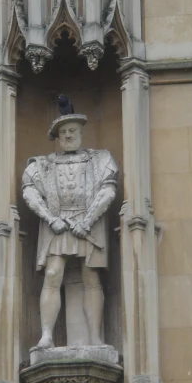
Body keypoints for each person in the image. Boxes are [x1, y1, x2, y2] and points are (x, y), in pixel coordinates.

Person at [22, 107, 118, 349]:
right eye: (63, 131)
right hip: (56, 225)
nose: (68, 135)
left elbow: (108, 190)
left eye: (72, 130)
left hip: (89, 225)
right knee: (53, 274)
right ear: (56, 137)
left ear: (81, 132)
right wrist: (50, 218)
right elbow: (30, 192)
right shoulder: (41, 164)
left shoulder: (100, 160)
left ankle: (95, 338)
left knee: (91, 276)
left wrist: (88, 221)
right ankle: (46, 336)